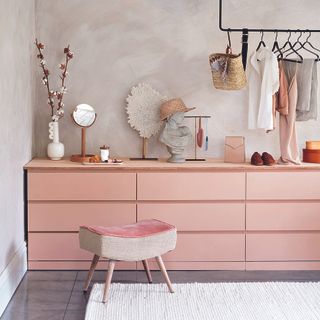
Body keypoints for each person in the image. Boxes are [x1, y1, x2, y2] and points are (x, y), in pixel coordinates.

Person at [159, 98, 195, 163]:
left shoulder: (186, 130)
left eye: (183, 112)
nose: (183, 116)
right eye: (180, 112)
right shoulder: (164, 135)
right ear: (170, 115)